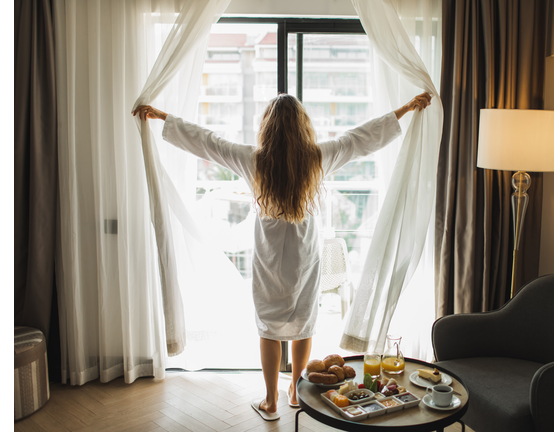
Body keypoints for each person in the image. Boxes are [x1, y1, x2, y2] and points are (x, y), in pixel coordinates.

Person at [133, 91, 432, 421]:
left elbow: (209, 143)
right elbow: (359, 139)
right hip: (305, 262)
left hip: (269, 262)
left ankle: (271, 401)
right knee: (304, 326)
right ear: (303, 128)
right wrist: (404, 109)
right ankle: (294, 393)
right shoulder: (318, 158)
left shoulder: (253, 159)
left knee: (268, 329)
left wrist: (163, 117)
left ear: (268, 128)